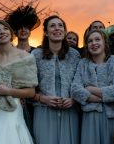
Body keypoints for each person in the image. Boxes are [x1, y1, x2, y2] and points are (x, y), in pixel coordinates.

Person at [0, 20, 38, 144]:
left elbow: (31, 92)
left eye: (5, 29)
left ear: (10, 32)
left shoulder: (26, 57)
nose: (2, 32)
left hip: (12, 109)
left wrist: (8, 91)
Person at [32, 15, 81, 144]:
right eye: (52, 26)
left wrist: (74, 100)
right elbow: (28, 86)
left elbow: (81, 83)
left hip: (70, 111)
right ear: (46, 32)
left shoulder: (75, 55)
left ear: (65, 32)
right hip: (43, 110)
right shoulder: (36, 55)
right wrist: (43, 98)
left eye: (60, 26)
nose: (57, 28)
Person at [71, 29, 114, 144]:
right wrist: (103, 97)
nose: (94, 43)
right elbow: (75, 89)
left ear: (104, 42)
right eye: (90, 41)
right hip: (90, 119)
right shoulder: (83, 63)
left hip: (112, 117)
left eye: (97, 39)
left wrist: (90, 89)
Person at [4, 5, 40, 137]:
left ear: (30, 30)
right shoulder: (8, 53)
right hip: (15, 103)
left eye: (26, 27)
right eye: (20, 27)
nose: (23, 30)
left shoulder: (38, 53)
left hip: (37, 103)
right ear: (15, 31)